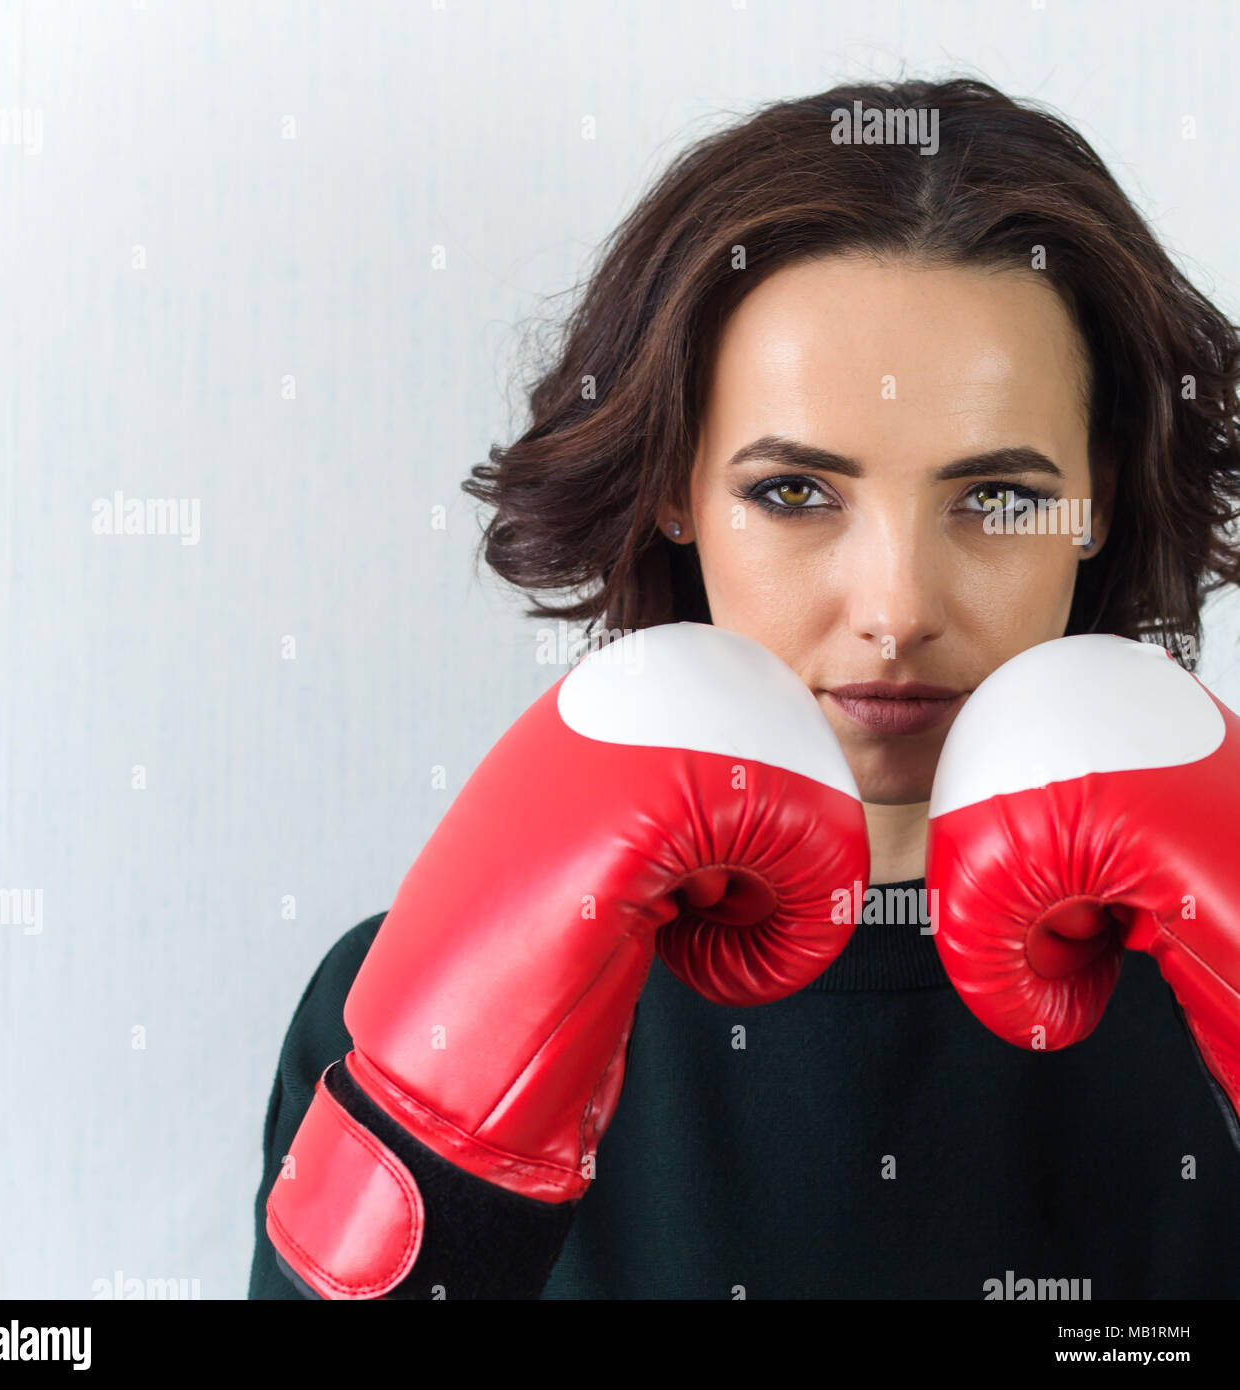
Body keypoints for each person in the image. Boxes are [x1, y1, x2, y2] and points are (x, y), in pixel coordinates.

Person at [249, 76, 1240, 1300]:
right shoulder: (406, 999)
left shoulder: (1209, 975)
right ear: (673, 485)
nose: (896, 609)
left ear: (1098, 504)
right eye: (793, 492)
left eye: (996, 496)